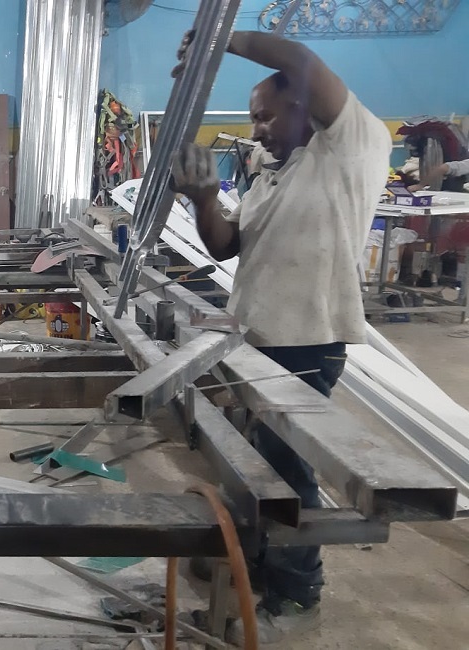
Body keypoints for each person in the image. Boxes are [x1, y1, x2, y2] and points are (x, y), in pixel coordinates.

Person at [169, 30, 392, 645]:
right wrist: (203, 198)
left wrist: (220, 39)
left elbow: (301, 60)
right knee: (255, 463)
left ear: (304, 106)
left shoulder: (349, 147)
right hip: (254, 340)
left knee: (287, 474)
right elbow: (224, 245)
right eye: (253, 119)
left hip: (305, 344)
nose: (257, 130)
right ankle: (258, 564)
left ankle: (297, 595)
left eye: (265, 116)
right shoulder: (271, 174)